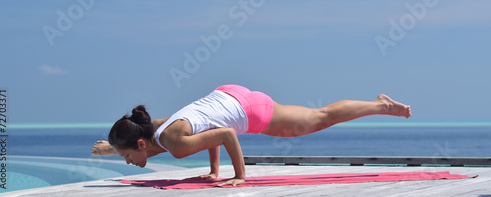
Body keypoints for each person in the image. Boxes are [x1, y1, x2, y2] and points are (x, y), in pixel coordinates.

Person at [92, 84, 411, 187]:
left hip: (249, 111)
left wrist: (239, 176)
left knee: (318, 119)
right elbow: (206, 131)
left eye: (126, 157)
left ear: (140, 144)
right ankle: (378, 105)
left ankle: (379, 105)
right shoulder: (159, 129)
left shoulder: (169, 142)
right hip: (230, 94)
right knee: (317, 117)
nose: (129, 163)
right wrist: (215, 172)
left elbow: (226, 134)